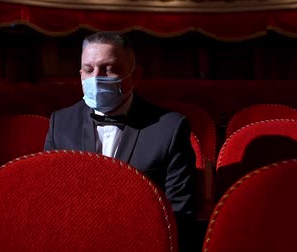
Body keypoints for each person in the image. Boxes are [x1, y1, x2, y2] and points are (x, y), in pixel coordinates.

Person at [44, 32, 196, 250]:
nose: (96, 78)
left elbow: (179, 212)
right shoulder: (61, 122)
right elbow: (50, 199)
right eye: (89, 70)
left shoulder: (170, 128)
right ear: (80, 74)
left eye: (109, 69)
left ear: (135, 76)